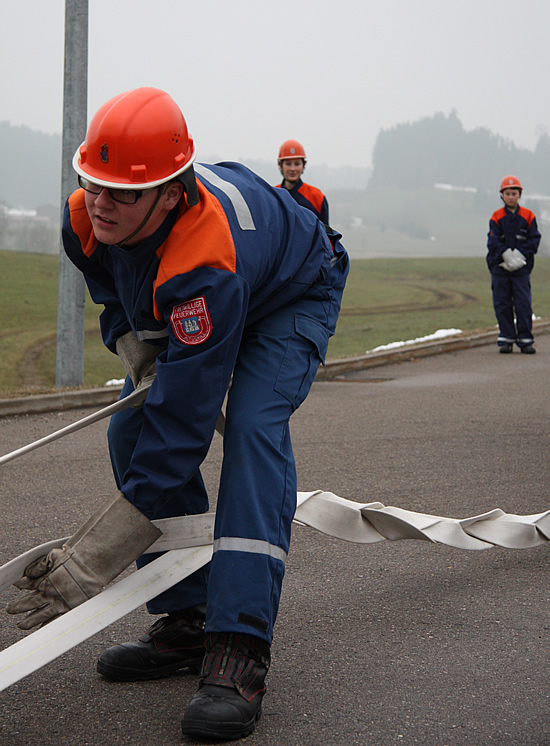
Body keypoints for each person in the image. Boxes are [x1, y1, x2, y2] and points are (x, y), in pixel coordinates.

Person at [6, 87, 348, 741]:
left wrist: (95, 557)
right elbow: (113, 287)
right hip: (227, 284)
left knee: (251, 429)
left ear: (170, 191)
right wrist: (136, 344)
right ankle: (188, 619)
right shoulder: (87, 218)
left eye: (122, 193)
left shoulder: (202, 261)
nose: (100, 202)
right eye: (92, 181)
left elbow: (183, 430)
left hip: (295, 289)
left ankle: (238, 646)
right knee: (130, 423)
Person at [486, 175, 541, 354]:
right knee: (502, 303)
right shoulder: (496, 216)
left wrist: (520, 255)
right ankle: (506, 338)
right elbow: (492, 241)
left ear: (519, 194)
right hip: (500, 268)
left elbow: (534, 239)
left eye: (514, 193)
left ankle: (525, 339)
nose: (510, 196)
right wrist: (505, 255)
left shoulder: (528, 216)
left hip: (521, 269)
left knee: (523, 303)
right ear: (502, 195)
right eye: (507, 193)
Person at [276, 139, 329, 223]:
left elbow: (326, 233)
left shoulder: (317, 197)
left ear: (303, 165)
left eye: (297, 164)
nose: (293, 169)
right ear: (280, 165)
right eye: (288, 164)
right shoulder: (273, 195)